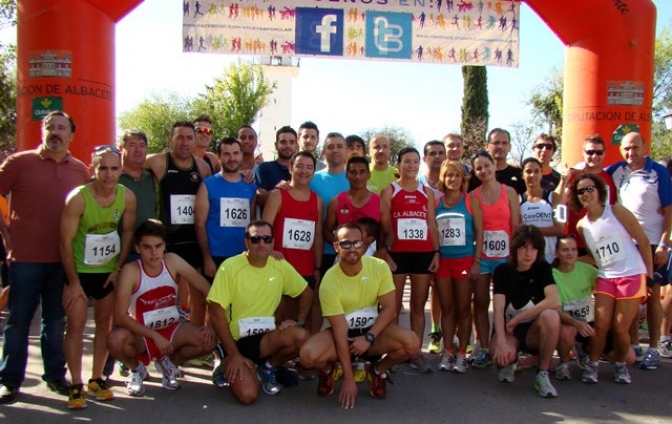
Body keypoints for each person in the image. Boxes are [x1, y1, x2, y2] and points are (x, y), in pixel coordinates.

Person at [0, 111, 89, 404]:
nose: (56, 132)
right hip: (25, 258)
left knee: (54, 322)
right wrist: (6, 234)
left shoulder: (80, 170)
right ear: (43, 132)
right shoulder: (19, 163)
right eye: (50, 127)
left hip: (63, 262)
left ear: (71, 135)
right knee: (18, 322)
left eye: (62, 128)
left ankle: (54, 377)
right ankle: (9, 381)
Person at [298, 223, 420, 408]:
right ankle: (329, 371)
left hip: (373, 333)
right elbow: (339, 331)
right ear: (336, 246)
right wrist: (349, 379)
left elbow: (390, 309)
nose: (352, 248)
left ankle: (378, 371)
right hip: (343, 335)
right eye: (346, 244)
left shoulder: (379, 266)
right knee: (307, 355)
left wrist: (369, 337)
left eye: (357, 243)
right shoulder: (329, 281)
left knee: (411, 342)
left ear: (363, 246)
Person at [60, 145, 137, 409]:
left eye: (114, 168)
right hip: (80, 273)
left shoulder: (127, 197)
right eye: (102, 168)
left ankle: (96, 378)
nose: (108, 174)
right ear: (93, 169)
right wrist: (72, 282)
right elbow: (65, 242)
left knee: (104, 325)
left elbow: (127, 233)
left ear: (121, 169)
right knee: (76, 326)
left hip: (108, 273)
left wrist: (117, 269)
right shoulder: (78, 198)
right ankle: (75, 384)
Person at [207, 220, 313, 404]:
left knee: (301, 336)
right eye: (255, 239)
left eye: (267, 238)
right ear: (246, 242)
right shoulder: (230, 267)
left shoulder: (279, 265)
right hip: (234, 341)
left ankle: (268, 367)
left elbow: (307, 293)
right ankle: (224, 362)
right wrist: (234, 354)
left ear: (273, 242)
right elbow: (215, 312)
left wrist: (299, 320)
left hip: (264, 338)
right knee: (248, 395)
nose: (262, 243)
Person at [107, 219, 216, 396]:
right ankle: (135, 369)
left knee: (208, 340)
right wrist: (154, 335)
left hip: (171, 329)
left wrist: (211, 326)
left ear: (165, 245)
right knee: (115, 340)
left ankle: (170, 363)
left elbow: (208, 290)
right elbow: (119, 316)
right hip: (142, 333)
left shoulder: (172, 261)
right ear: (137, 248)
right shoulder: (131, 271)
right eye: (147, 247)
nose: (154, 253)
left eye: (158, 246)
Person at [570, 173, 653, 384]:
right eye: (581, 191)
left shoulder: (615, 210)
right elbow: (595, 256)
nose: (586, 194)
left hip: (631, 275)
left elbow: (643, 241)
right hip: (606, 276)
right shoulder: (582, 226)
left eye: (590, 189)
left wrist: (649, 277)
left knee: (620, 328)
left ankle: (620, 365)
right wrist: (568, 260)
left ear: (599, 190)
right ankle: (593, 364)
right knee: (601, 325)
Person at [606, 132, 672, 370]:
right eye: (626, 148)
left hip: (653, 243)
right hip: (626, 243)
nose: (630, 153)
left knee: (654, 294)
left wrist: (664, 244)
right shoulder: (617, 170)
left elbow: (669, 210)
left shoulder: (659, 172)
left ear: (645, 146)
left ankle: (653, 348)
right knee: (630, 296)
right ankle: (633, 343)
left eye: (635, 147)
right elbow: (592, 171)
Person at [145, 121, 212, 326]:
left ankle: (197, 345)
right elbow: (129, 166)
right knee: (160, 298)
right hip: (167, 242)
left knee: (199, 298)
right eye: (179, 137)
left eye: (189, 138)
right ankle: (158, 345)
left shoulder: (202, 167)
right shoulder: (157, 162)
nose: (185, 142)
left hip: (193, 240)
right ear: (170, 140)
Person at [380, 147, 440, 373]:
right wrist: (385, 250)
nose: (411, 165)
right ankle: (393, 351)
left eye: (415, 161)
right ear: (399, 164)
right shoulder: (390, 190)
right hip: (397, 254)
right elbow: (384, 224)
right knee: (393, 307)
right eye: (407, 161)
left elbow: (432, 223)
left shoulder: (428, 192)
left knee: (417, 306)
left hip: (422, 254)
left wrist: (436, 252)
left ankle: (416, 352)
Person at [551, 235, 637, 381]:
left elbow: (607, 290)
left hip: (589, 322)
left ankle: (586, 349)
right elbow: (554, 308)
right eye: (565, 250)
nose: (570, 253)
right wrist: (576, 323)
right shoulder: (550, 275)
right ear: (556, 253)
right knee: (567, 331)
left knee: (629, 357)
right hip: (567, 323)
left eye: (573, 249)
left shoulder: (588, 270)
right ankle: (563, 363)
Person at [490, 225, 562, 398]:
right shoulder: (502, 271)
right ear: (515, 248)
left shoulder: (543, 268)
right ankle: (511, 362)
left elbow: (553, 299)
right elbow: (498, 309)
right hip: (509, 331)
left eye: (533, 248)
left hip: (533, 331)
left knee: (551, 316)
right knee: (502, 356)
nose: (528, 253)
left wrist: (520, 318)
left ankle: (542, 373)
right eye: (524, 247)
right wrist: (500, 341)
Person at [468, 151, 520, 368]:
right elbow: (477, 230)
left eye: (487, 165)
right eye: (479, 168)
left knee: (506, 304)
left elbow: (516, 226)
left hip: (505, 258)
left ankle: (507, 345)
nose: (484, 171)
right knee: (480, 302)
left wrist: (515, 259)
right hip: (483, 257)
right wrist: (477, 260)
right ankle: (483, 346)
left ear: (494, 166)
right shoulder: (473, 196)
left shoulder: (509, 192)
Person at [434, 160, 483, 372]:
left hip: (465, 260)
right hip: (444, 261)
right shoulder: (437, 203)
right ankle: (448, 350)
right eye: (448, 176)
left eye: (456, 175)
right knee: (447, 308)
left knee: (463, 307)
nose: (452, 179)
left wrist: (477, 261)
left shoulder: (471, 201)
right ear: (443, 179)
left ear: (463, 179)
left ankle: (462, 352)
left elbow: (481, 233)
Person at [195, 137, 257, 280]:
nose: (232, 158)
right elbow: (199, 223)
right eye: (227, 154)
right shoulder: (208, 185)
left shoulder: (251, 186)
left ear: (241, 155)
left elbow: (252, 222)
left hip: (243, 256)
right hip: (216, 257)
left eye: (236, 153)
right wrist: (207, 258)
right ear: (218, 157)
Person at [556, 134, 618, 260]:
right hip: (574, 241)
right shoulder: (573, 176)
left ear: (604, 153)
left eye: (599, 152)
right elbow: (558, 204)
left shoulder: (610, 180)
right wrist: (563, 181)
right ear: (583, 153)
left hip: (601, 240)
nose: (594, 156)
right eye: (590, 152)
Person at [309, 133, 350, 276]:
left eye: (339, 146)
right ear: (323, 152)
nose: (335, 150)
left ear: (346, 151)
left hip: (349, 251)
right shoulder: (312, 179)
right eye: (330, 147)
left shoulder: (355, 180)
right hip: (319, 250)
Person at [419, 141, 446, 354]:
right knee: (421, 296)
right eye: (432, 153)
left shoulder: (452, 182)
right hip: (419, 248)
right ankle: (432, 333)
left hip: (446, 247)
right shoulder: (416, 183)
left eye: (441, 153)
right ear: (424, 157)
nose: (437, 157)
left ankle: (443, 333)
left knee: (441, 291)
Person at [520, 157, 564, 263]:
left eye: (536, 171)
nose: (532, 175)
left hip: (551, 260)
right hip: (527, 260)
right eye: (528, 171)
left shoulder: (555, 197)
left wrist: (532, 231)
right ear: (522, 175)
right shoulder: (517, 200)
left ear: (541, 174)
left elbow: (561, 229)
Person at [119, 130, 158, 231]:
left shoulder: (153, 178)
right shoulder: (113, 178)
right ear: (121, 148)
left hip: (148, 245)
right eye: (132, 145)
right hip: (120, 244)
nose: (138, 150)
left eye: (142, 145)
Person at [468, 128, 526, 195]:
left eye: (504, 143)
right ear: (487, 146)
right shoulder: (476, 175)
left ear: (509, 147)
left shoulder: (519, 174)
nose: (500, 146)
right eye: (496, 143)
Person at [254, 126, 297, 208]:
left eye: (291, 142)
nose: (288, 145)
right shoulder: (264, 168)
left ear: (296, 146)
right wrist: (276, 191)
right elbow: (259, 200)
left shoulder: (302, 172)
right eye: (283, 142)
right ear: (276, 145)